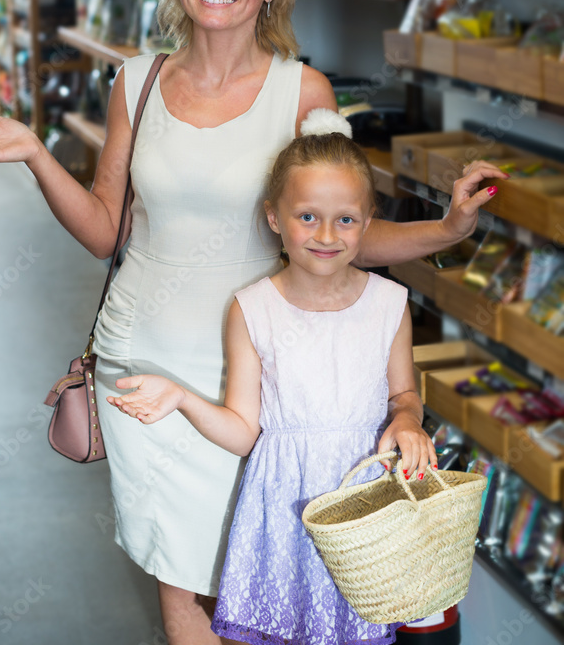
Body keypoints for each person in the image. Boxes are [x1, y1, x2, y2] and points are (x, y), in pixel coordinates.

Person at [0, 0, 505, 645]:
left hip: (263, 378)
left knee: (265, 580)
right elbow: (106, 231)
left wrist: (448, 226)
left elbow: (341, 241)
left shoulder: (302, 92)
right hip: (146, 368)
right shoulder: (136, 82)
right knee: (182, 588)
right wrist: (38, 155)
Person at [106, 112, 437, 645]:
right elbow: (243, 430)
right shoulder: (252, 309)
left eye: (346, 220)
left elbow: (404, 395)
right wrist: (182, 398)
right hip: (278, 515)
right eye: (307, 216)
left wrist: (407, 420)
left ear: (368, 221)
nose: (326, 235)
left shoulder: (389, 305)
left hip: (363, 512)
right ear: (274, 218)